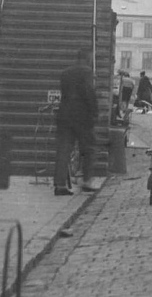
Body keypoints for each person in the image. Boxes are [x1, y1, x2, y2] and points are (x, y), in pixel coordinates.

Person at [53, 49, 98, 195]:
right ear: (87, 58)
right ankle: (87, 181)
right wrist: (94, 112)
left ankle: (60, 185)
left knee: (63, 150)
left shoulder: (65, 73)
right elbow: (88, 92)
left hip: (64, 115)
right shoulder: (87, 72)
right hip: (82, 116)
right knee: (89, 149)